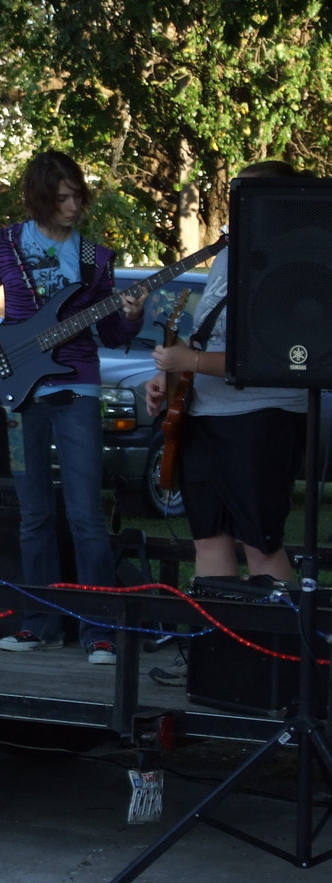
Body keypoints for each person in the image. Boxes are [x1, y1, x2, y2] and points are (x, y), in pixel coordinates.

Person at [0, 151, 145, 665]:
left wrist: (130, 316)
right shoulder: (4, 242)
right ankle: (39, 622)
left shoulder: (95, 257)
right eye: (60, 197)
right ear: (40, 197)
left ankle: (99, 630)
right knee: (33, 514)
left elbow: (111, 331)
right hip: (18, 392)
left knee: (87, 514)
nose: (72, 205)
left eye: (76, 195)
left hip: (79, 389)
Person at [144, 161, 308, 584]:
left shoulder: (294, 263)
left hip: (260, 418)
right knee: (208, 536)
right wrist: (172, 377)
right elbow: (208, 339)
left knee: (260, 541)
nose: (232, 206)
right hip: (205, 414)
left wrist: (192, 362)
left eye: (244, 197)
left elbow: (273, 357)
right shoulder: (228, 256)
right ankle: (219, 645)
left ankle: (276, 647)